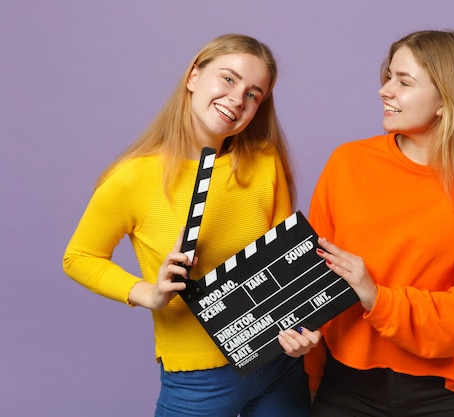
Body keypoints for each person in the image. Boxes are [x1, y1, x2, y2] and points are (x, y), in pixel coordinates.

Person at [63, 34, 317, 417]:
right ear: (194, 76)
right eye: (228, 79)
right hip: (200, 378)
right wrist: (147, 293)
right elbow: (79, 257)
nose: (237, 98)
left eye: (253, 94)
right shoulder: (133, 177)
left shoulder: (265, 161)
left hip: (277, 364)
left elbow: (284, 263)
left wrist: (299, 330)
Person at [305, 30, 454, 416]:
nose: (385, 90)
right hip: (347, 387)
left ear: (446, 100)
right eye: (388, 77)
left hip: (448, 391)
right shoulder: (348, 164)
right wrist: (305, 371)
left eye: (404, 82)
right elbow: (311, 283)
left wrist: (378, 298)